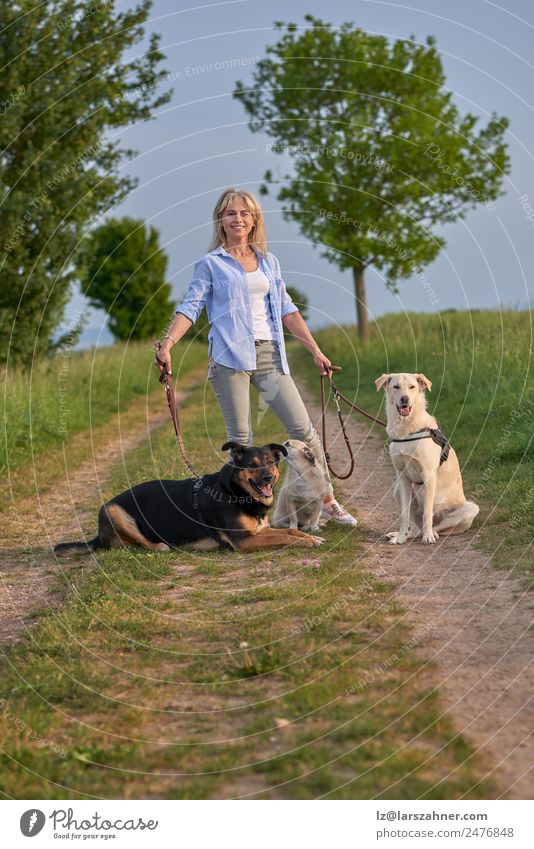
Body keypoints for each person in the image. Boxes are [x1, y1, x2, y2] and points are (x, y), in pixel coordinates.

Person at [155, 188, 357, 527]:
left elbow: (287, 310)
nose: (238, 219)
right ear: (221, 219)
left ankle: (328, 501)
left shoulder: (268, 262)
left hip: (269, 354)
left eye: (245, 213)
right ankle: (245, 515)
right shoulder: (210, 264)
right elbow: (191, 308)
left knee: (303, 433)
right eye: (231, 213)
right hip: (228, 358)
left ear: (254, 220)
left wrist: (316, 351)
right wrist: (167, 344)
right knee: (242, 442)